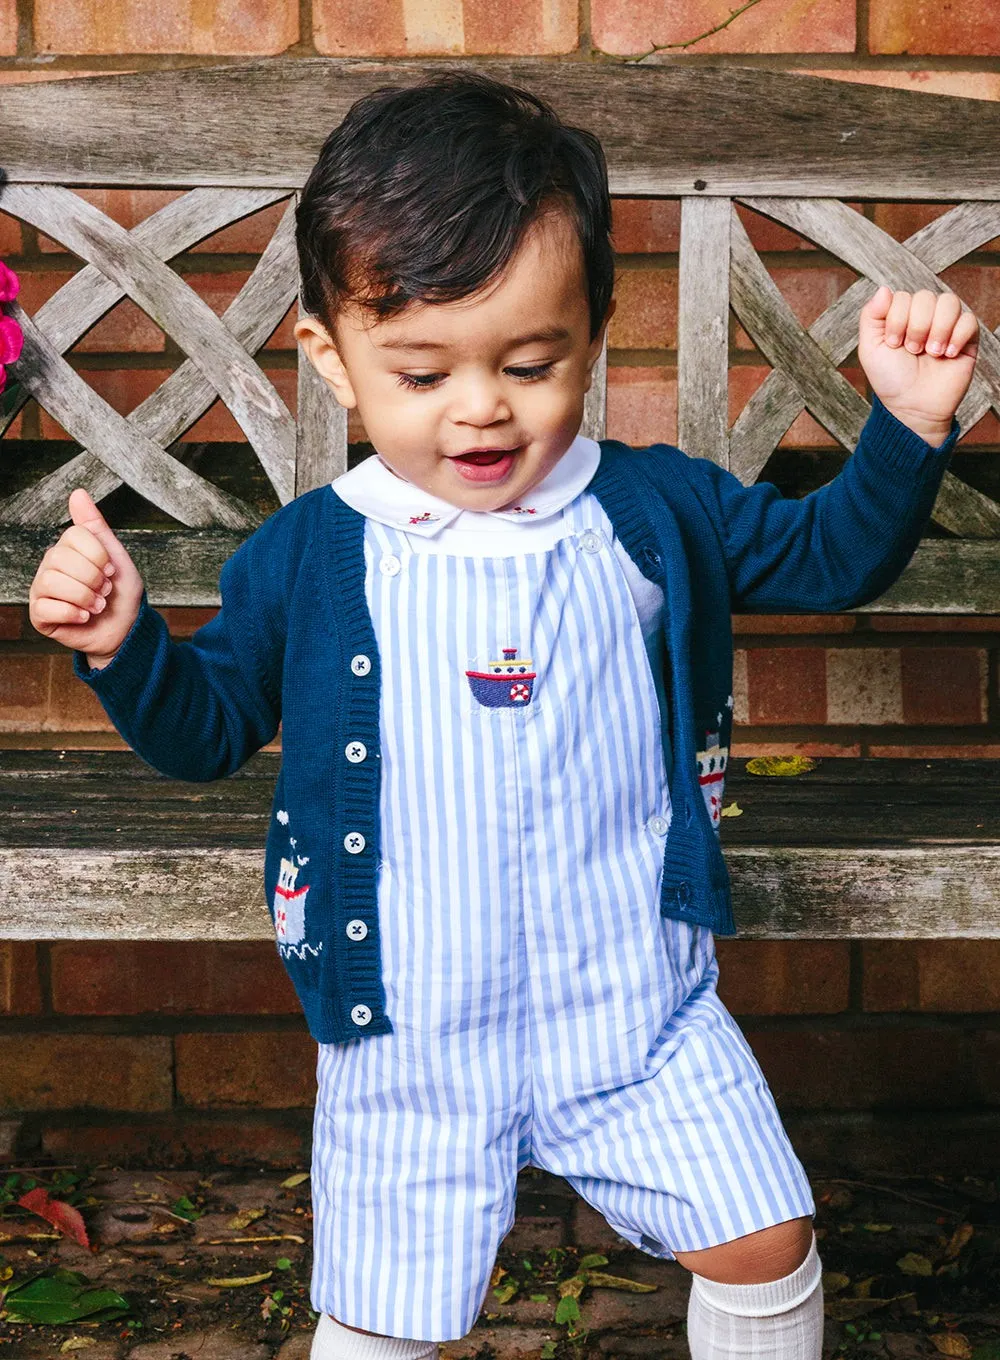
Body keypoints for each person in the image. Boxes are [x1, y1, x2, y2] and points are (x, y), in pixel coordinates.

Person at [28, 72, 978, 1360]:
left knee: (765, 1239)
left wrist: (905, 430)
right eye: (420, 372)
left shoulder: (655, 513)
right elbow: (203, 734)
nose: (480, 406)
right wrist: (126, 644)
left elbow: (829, 561)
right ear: (332, 357)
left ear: (594, 331)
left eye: (530, 363)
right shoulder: (313, 558)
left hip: (634, 1011)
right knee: (380, 1320)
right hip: (409, 1031)